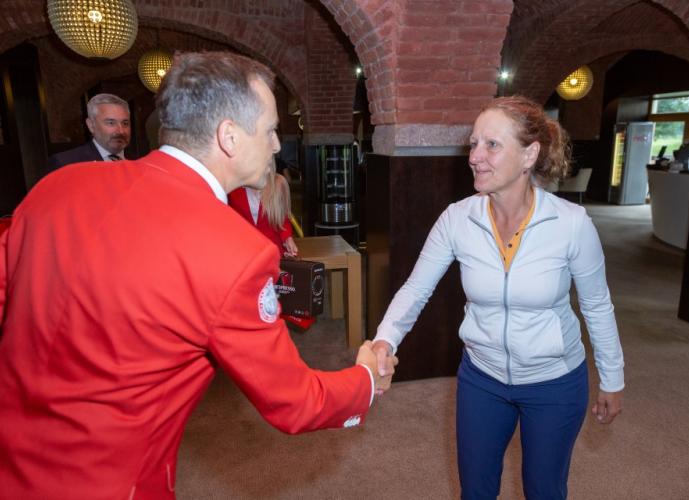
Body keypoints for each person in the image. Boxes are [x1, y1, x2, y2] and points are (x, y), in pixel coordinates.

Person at [0, 51, 397, 499]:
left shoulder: (57, 186)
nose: (274, 145)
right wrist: (365, 378)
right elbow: (294, 402)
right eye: (269, 130)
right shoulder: (234, 251)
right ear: (229, 136)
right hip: (110, 483)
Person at [372, 95, 624, 499]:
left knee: (544, 490)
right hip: (482, 377)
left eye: (491, 144)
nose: (475, 156)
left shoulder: (571, 224)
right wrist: (385, 339)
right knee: (475, 490)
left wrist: (612, 378)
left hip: (554, 381)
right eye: (474, 144)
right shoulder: (458, 219)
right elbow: (416, 288)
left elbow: (597, 305)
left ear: (529, 155)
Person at [45, 93, 132, 174]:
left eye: (125, 123)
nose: (121, 131)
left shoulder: (137, 161)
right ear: (91, 125)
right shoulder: (66, 163)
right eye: (111, 123)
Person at [228, 164, 299, 257]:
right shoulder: (233, 187)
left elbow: (282, 218)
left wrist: (287, 238)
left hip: (272, 250)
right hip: (243, 251)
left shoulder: (277, 184)